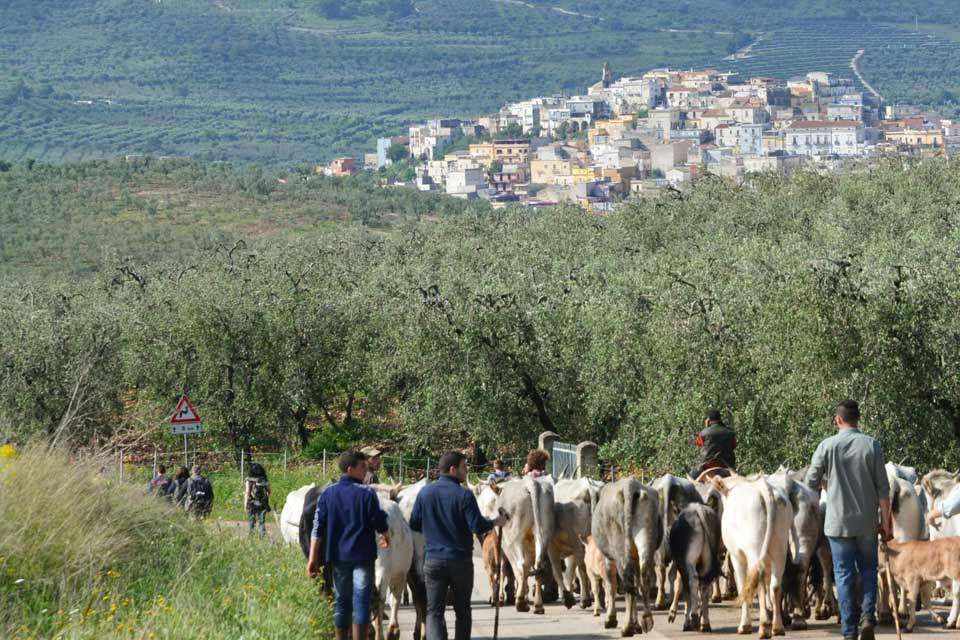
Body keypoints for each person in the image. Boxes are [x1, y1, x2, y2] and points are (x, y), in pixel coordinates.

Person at [805, 400, 892, 640]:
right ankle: (867, 616)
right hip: (866, 522)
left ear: (838, 420)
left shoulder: (827, 446)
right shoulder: (872, 445)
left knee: (842, 574)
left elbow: (810, 482)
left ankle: (849, 631)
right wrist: (886, 523)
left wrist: (827, 484)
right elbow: (883, 490)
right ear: (858, 420)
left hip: (837, 523)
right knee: (868, 569)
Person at [410, 451, 508, 640]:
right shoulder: (464, 495)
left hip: (433, 559)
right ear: (453, 469)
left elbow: (414, 523)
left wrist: (432, 525)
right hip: (460, 561)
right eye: (464, 467)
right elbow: (477, 525)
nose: (466, 471)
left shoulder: (425, 493)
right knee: (462, 609)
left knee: (434, 611)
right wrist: (495, 521)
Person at [307, 450, 390, 640]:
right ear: (350, 469)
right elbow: (378, 519)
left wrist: (312, 557)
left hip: (338, 556)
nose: (366, 470)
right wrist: (386, 534)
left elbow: (317, 528)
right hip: (363, 556)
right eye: (362, 467)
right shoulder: (367, 493)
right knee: (361, 600)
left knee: (342, 601)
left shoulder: (328, 494)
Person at [691, 409, 737, 479]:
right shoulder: (730, 432)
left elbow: (700, 444)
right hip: (727, 465)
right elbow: (734, 446)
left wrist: (706, 428)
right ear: (719, 418)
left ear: (708, 419)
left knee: (691, 478)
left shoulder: (704, 433)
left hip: (706, 464)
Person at [244, 462, 272, 537]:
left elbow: (247, 492)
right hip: (262, 503)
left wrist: (245, 504)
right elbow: (269, 492)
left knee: (251, 520)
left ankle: (251, 535)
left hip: (252, 502)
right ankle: (262, 535)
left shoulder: (248, 480)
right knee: (262, 521)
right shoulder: (264, 480)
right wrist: (265, 499)